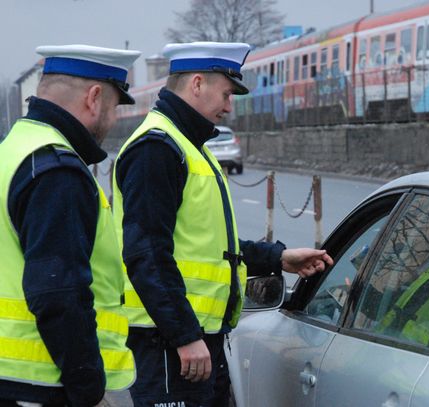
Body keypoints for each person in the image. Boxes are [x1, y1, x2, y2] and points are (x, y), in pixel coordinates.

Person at [112, 41, 333, 407]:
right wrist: (184, 335)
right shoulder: (158, 148)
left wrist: (278, 258)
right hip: (171, 345)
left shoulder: (186, 144)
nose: (230, 106)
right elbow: (146, 254)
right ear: (197, 84)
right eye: (227, 93)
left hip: (195, 342)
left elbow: (211, 247)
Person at [0, 44, 141, 406]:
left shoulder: (13, 151)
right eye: (112, 108)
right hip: (41, 383)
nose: (111, 122)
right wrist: (88, 388)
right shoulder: (58, 169)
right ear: (94, 99)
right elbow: (58, 293)